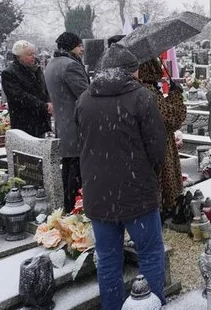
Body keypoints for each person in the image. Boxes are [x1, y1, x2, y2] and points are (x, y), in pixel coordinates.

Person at [75, 43, 167, 309]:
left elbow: (83, 142)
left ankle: (113, 306)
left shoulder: (85, 99)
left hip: (99, 193)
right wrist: (147, 175)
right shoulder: (141, 98)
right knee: (149, 254)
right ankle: (151, 304)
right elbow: (157, 148)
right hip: (136, 193)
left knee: (108, 260)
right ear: (131, 71)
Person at [44, 32, 89, 212]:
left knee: (69, 167)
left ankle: (67, 205)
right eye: (79, 46)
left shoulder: (52, 64)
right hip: (76, 124)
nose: (82, 49)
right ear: (72, 47)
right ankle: (74, 208)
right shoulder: (70, 66)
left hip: (63, 124)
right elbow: (85, 94)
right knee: (77, 169)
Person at [137, 58, 186, 217]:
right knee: (164, 181)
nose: (159, 68)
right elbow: (172, 118)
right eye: (155, 65)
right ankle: (166, 210)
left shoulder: (143, 88)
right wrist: (176, 94)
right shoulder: (147, 91)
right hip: (159, 143)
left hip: (150, 144)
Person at [1, 40, 52, 137]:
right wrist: (43, 106)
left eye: (34, 53)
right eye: (29, 54)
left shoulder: (36, 69)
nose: (33, 56)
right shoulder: (9, 73)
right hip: (24, 121)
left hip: (40, 119)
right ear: (19, 57)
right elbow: (19, 97)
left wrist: (49, 102)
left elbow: (43, 89)